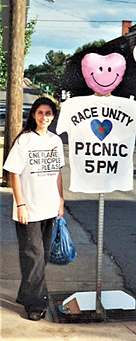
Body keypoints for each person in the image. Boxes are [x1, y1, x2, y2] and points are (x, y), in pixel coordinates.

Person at [3, 97, 65, 321]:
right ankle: (36, 304)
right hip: (28, 209)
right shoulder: (25, 140)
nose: (44, 117)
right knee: (34, 256)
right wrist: (20, 205)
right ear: (33, 115)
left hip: (49, 207)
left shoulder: (55, 140)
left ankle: (24, 293)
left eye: (48, 113)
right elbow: (14, 173)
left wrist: (61, 200)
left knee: (41, 256)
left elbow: (57, 172)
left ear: (53, 116)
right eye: (40, 112)